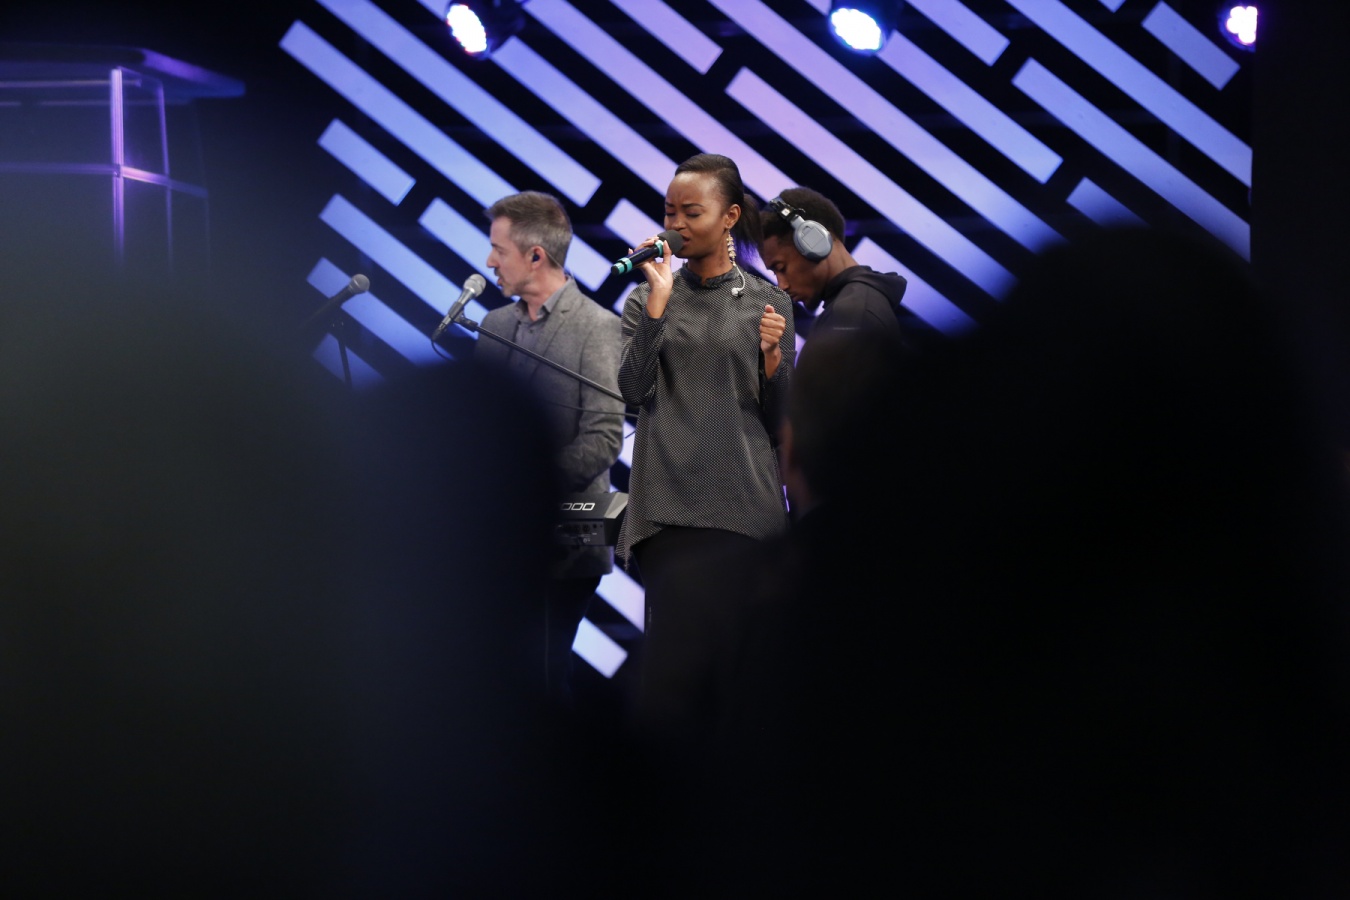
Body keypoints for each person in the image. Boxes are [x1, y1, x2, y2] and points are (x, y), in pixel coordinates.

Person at [616, 153, 795, 724]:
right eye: (670, 212)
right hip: (669, 510)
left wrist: (773, 359)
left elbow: (779, 421)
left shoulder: (770, 302)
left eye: (691, 213)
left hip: (745, 511)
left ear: (729, 217)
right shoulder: (647, 297)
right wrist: (658, 307)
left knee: (741, 683)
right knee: (673, 688)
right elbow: (632, 389)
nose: (676, 224)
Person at [475, 190, 624, 701]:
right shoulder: (494, 326)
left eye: (499, 250)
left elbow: (604, 437)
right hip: (498, 540)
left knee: (541, 679)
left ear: (536, 255)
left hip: (569, 541)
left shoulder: (598, 327)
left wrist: (530, 486)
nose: (489, 262)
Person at [759, 186, 929, 347]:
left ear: (813, 240)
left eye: (781, 268)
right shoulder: (860, 307)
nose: (782, 286)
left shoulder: (850, 316)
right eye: (775, 273)